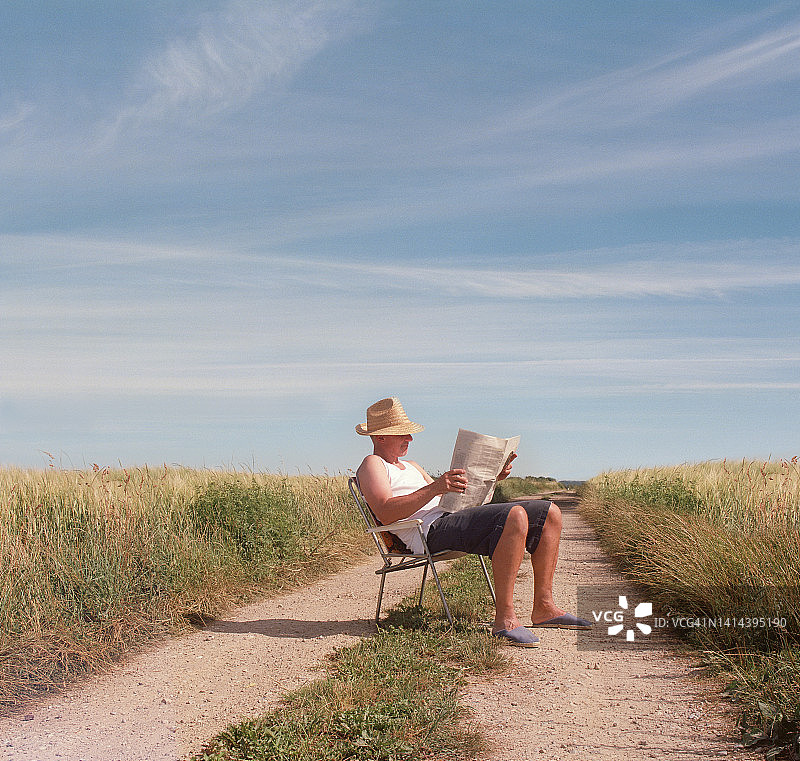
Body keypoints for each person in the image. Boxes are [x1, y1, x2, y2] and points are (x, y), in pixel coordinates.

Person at [355, 396, 591, 647]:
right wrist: (435, 487)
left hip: (449, 518)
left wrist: (491, 478)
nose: (410, 438)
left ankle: (544, 607)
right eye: (403, 433)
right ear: (381, 437)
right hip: (426, 532)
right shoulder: (372, 464)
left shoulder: (411, 465)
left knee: (549, 512)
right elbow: (385, 512)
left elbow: (450, 499)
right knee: (514, 515)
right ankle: (505, 620)